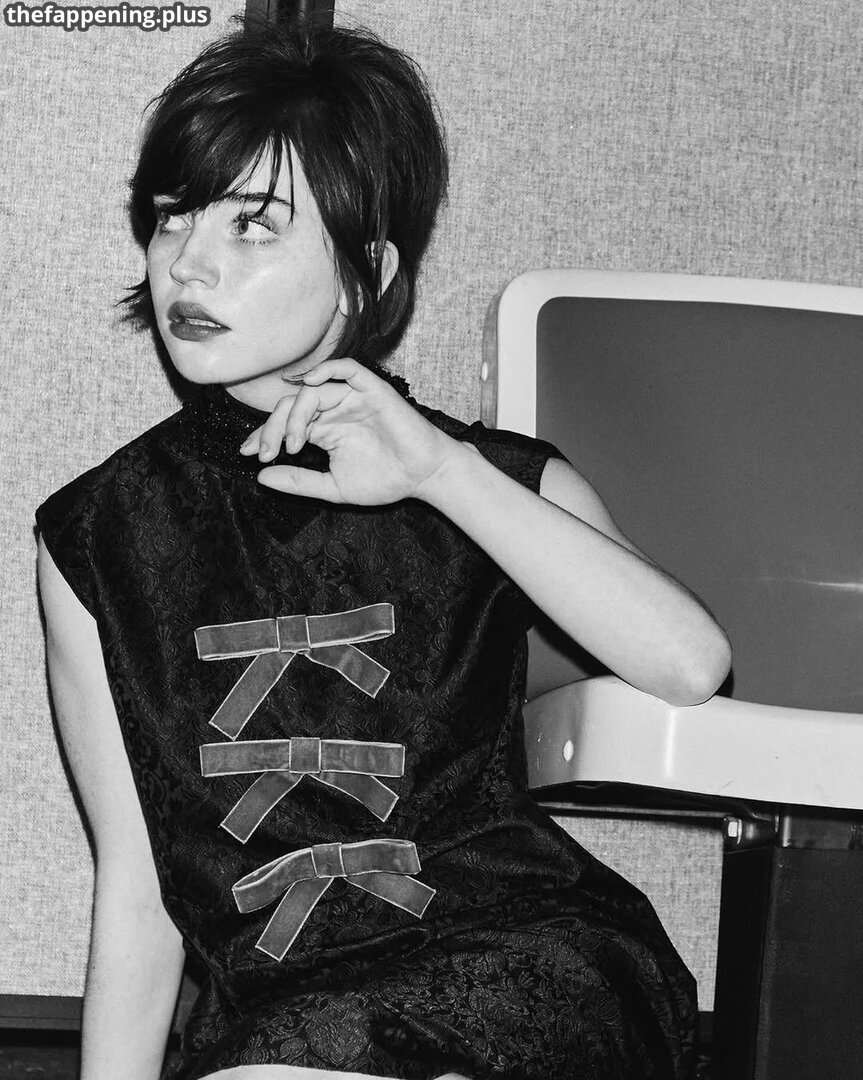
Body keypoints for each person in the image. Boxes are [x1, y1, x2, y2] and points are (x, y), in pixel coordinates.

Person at [36, 18, 731, 1080]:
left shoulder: (490, 478)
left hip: (524, 960)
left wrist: (439, 472)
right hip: (285, 1007)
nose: (190, 262)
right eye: (175, 215)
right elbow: (139, 881)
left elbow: (689, 664)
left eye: (254, 226)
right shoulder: (98, 534)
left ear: (366, 272)